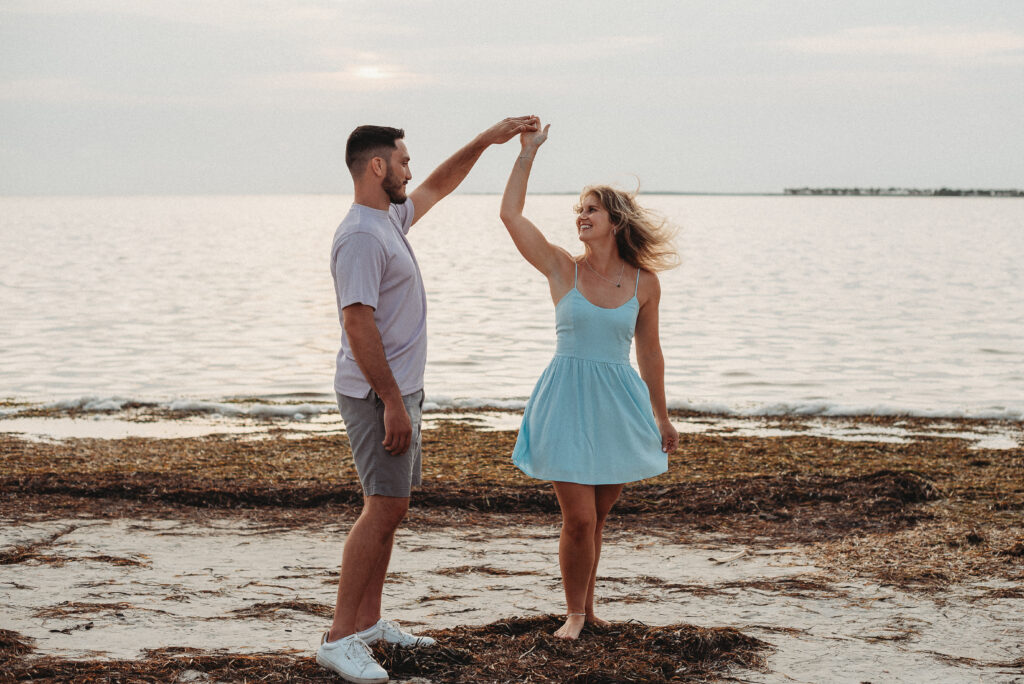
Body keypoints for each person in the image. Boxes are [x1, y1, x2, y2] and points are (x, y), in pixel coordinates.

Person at [319, 117, 539, 683]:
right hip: (378, 393)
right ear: (378, 166)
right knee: (381, 507)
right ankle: (340, 638)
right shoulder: (361, 236)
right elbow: (357, 325)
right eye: (403, 160)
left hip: (398, 390)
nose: (410, 170)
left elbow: (441, 183)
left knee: (392, 508)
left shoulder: (388, 218)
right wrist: (392, 401)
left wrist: (488, 141)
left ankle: (368, 623)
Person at [498, 120, 680, 640]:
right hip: (566, 400)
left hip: (619, 407)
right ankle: (574, 614)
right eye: (579, 208)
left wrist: (662, 417)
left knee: (597, 520)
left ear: (615, 221)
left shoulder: (645, 283)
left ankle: (588, 609)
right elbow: (511, 215)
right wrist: (527, 153)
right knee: (577, 519)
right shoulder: (563, 269)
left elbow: (650, 353)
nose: (581, 215)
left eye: (592, 209)